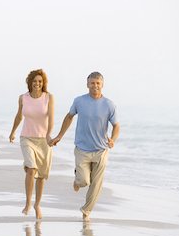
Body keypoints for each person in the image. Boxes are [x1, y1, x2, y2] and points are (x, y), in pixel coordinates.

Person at [49, 71, 120, 222]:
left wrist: (113, 139)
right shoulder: (79, 101)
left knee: (96, 184)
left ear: (102, 85)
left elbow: (116, 126)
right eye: (92, 83)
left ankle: (86, 210)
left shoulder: (109, 105)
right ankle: (77, 180)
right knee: (84, 182)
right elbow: (69, 117)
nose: (95, 86)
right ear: (87, 84)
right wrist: (59, 136)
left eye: (98, 83)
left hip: (101, 150)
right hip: (82, 149)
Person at [9, 69, 54, 219]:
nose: (37, 84)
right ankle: (28, 203)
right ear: (30, 82)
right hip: (27, 137)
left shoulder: (49, 98)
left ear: (43, 83)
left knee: (41, 175)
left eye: (40, 81)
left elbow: (51, 119)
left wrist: (49, 135)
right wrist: (13, 132)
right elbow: (18, 116)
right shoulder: (23, 98)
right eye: (35, 81)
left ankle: (37, 204)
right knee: (31, 168)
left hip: (43, 140)